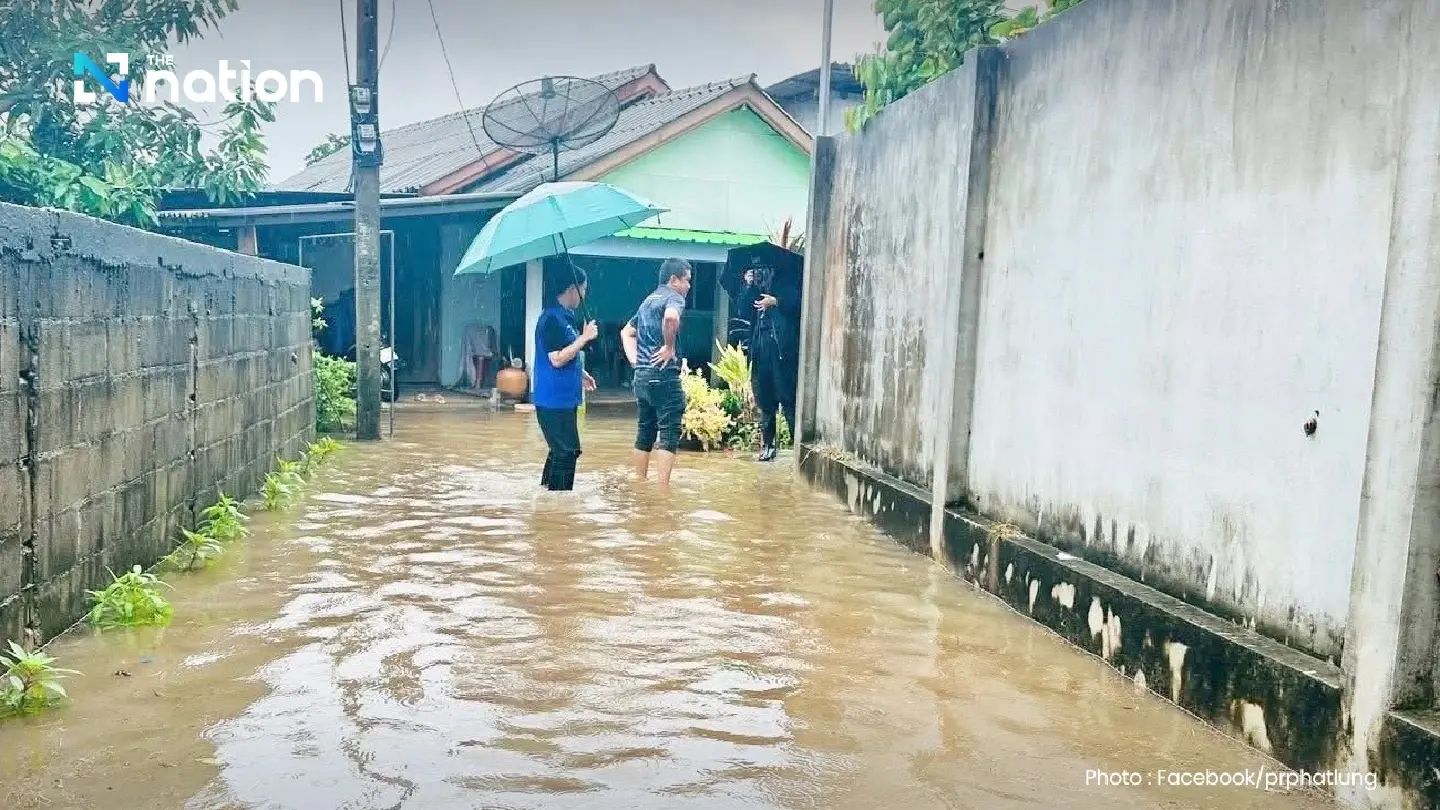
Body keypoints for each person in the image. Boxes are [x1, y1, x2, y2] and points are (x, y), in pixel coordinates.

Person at [621, 258, 692, 488]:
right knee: (669, 431)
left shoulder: (648, 300)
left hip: (641, 375)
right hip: (663, 375)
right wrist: (669, 347)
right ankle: (663, 493)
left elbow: (626, 332)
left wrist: (636, 361)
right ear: (674, 280)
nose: (689, 286)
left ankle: (640, 483)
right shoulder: (674, 297)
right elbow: (671, 317)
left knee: (645, 430)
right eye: (687, 280)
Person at [532, 268, 598, 491]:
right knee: (567, 451)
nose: (585, 295)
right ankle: (559, 506)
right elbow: (557, 359)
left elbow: (566, 354)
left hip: (564, 398)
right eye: (584, 289)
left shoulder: (565, 317)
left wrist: (581, 373)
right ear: (573, 289)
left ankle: (546, 496)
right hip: (552, 399)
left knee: (559, 451)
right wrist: (584, 338)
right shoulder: (552, 319)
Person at [744, 264, 800, 462]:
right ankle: (768, 445)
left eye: (763, 270)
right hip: (760, 351)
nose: (760, 273)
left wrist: (776, 301)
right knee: (764, 400)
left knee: (787, 399)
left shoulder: (788, 282)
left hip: (781, 352)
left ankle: (797, 445)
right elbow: (742, 309)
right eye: (756, 271)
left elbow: (799, 305)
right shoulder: (756, 289)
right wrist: (749, 286)